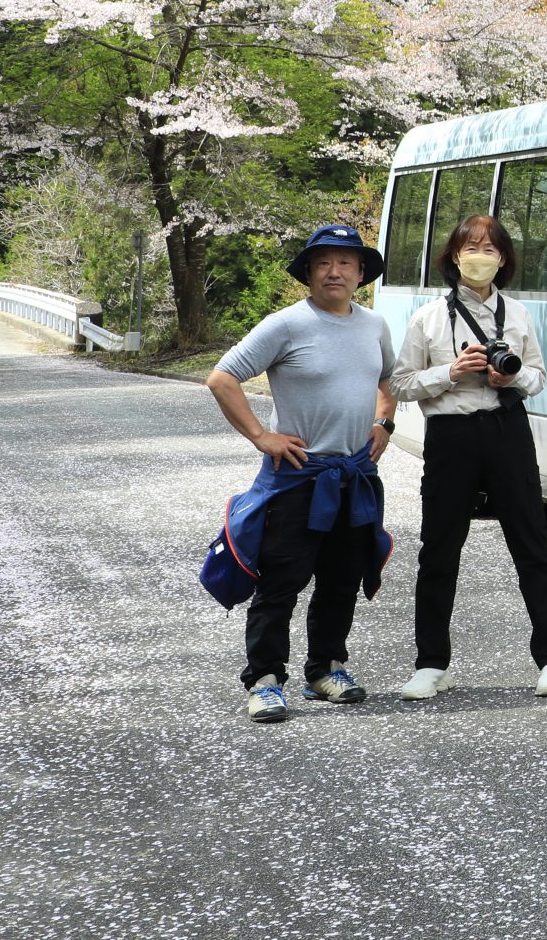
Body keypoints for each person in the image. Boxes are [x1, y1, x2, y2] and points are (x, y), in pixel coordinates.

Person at [204, 224, 397, 723]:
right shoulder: (286, 324)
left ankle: (326, 669)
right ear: (309, 272)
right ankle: (265, 679)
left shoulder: (374, 326)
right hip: (297, 476)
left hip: (353, 474)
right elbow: (221, 377)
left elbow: (385, 380)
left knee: (341, 578)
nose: (335, 271)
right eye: (323, 263)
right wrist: (260, 436)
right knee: (282, 581)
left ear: (360, 273)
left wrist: (383, 421)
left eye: (345, 263)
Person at [390, 214, 547, 701]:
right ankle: (431, 663)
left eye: (491, 248)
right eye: (471, 247)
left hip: (508, 428)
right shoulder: (427, 317)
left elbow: (537, 375)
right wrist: (449, 371)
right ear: (451, 256)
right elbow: (402, 383)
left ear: (504, 259)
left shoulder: (519, 313)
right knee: (439, 549)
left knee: (532, 545)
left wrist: (511, 379)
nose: (480, 256)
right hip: (450, 433)